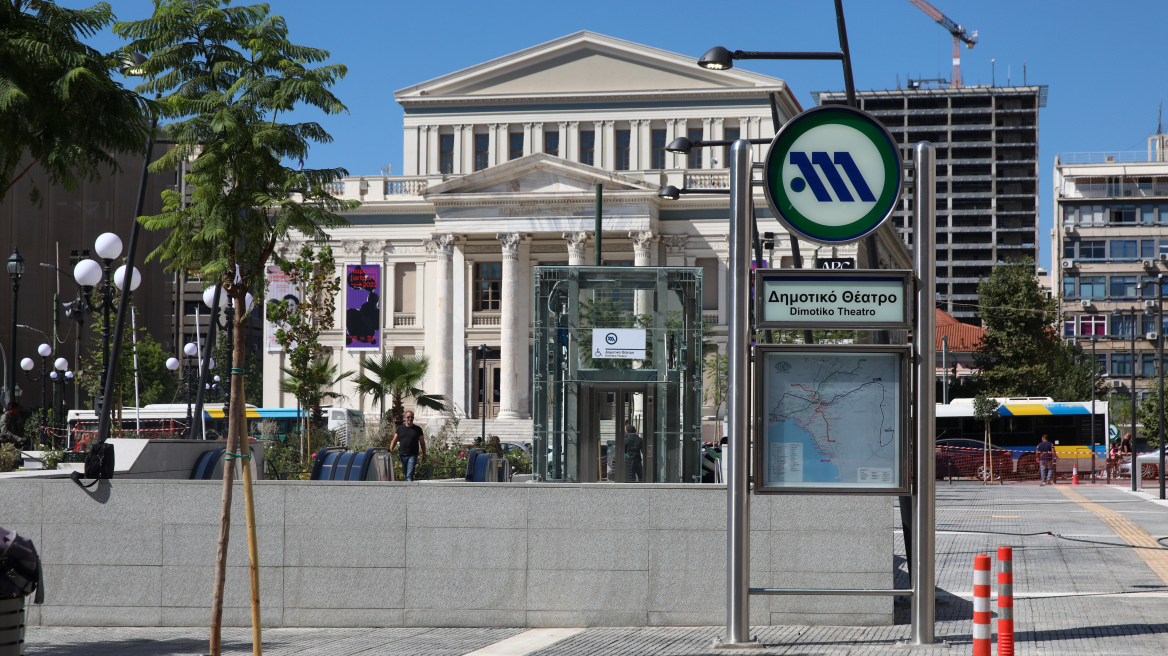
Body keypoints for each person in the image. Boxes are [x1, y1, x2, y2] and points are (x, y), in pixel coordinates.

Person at [389, 411, 426, 482]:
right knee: (405, 474)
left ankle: (409, 490)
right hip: (403, 455)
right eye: (408, 417)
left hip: (413, 455)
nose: (410, 419)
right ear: (405, 418)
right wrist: (390, 450)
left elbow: (422, 443)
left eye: (412, 417)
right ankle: (407, 489)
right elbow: (394, 440)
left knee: (409, 474)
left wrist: (424, 455)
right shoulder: (400, 428)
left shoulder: (418, 429)